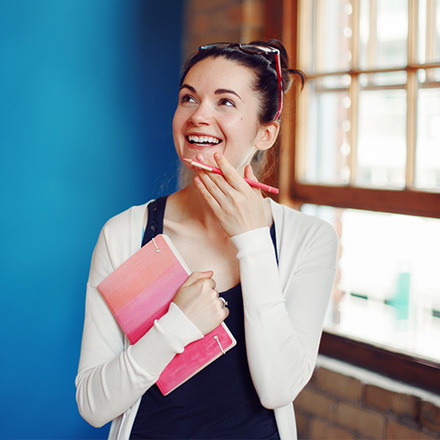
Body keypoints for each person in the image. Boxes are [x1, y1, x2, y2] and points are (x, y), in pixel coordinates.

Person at [75, 40, 338, 440]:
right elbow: (94, 406)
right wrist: (175, 328)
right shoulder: (125, 234)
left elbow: (278, 389)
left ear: (266, 133)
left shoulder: (309, 239)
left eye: (225, 102)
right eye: (188, 98)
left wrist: (251, 240)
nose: (199, 116)